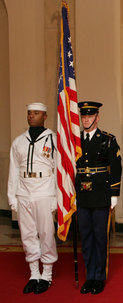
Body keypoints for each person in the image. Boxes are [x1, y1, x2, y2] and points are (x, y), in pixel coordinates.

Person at [8, 103, 57, 294]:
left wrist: (56, 198)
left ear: (45, 116)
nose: (31, 116)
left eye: (36, 113)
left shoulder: (53, 139)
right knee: (27, 234)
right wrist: (12, 196)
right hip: (23, 192)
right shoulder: (18, 141)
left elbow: (58, 171)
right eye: (29, 113)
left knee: (46, 233)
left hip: (44, 191)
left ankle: (47, 274)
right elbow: (13, 171)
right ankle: (34, 273)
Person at [76, 101, 122, 295]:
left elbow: (116, 168)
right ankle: (90, 276)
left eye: (90, 116)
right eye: (83, 116)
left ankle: (99, 277)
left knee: (100, 238)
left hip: (101, 195)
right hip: (82, 196)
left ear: (97, 117)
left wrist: (114, 194)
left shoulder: (108, 140)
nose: (86, 119)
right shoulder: (75, 140)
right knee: (85, 238)